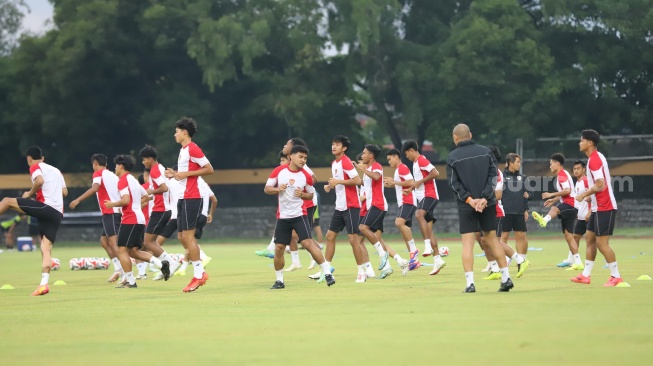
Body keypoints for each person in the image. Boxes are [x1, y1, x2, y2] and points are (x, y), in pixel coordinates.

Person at [446, 124, 513, 293]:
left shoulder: (452, 157)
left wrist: (470, 200)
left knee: (467, 244)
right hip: (488, 203)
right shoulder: (486, 152)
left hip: (466, 205)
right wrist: (484, 197)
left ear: (455, 138)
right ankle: (506, 278)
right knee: (492, 239)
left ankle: (470, 284)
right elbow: (493, 177)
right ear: (470, 134)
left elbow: (454, 184)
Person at [265, 145, 335, 289]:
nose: (303, 160)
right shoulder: (279, 171)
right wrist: (278, 189)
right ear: (291, 156)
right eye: (300, 157)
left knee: (307, 243)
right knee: (279, 248)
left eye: (305, 158)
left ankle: (327, 273)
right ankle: (279, 281)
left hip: (299, 215)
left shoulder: (306, 176)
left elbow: (311, 194)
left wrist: (303, 195)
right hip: (283, 217)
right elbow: (267, 188)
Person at [0, 146, 67, 296]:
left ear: (29, 159)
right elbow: (64, 192)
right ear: (42, 157)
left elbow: (39, 180)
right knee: (45, 248)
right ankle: (44, 284)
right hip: (57, 213)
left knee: (6, 201)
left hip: (45, 207)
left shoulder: (35, 166)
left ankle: (44, 283)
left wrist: (29, 194)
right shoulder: (56, 171)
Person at [105, 155, 170, 289]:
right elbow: (147, 196)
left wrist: (113, 204)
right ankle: (161, 264)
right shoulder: (133, 180)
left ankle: (131, 282)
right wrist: (135, 206)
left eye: (116, 165)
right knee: (133, 252)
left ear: (121, 166)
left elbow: (125, 200)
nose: (115, 168)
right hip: (139, 220)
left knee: (121, 250)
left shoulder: (122, 180)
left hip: (129, 220)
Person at [164, 117, 214, 292]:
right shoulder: (183, 150)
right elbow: (187, 173)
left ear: (185, 132)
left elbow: (209, 169)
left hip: (193, 197)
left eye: (177, 131)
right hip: (183, 197)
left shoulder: (192, 148)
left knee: (188, 237)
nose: (175, 134)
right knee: (181, 237)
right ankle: (200, 272)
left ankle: (198, 275)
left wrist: (185, 174)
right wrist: (175, 174)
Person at [571, 130, 623, 286]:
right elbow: (605, 180)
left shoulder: (594, 160)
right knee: (590, 239)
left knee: (601, 243)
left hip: (604, 207)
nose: (579, 143)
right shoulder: (595, 158)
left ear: (590, 143)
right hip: (596, 206)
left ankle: (616, 276)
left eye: (582, 140)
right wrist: (591, 196)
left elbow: (600, 184)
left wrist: (584, 194)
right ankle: (586, 275)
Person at [69, 154, 125, 282]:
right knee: (104, 242)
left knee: (113, 243)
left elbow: (95, 188)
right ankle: (118, 269)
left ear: (95, 163)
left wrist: (77, 200)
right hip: (115, 212)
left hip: (110, 212)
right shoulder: (112, 175)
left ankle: (126, 273)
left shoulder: (98, 174)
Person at [316, 135, 364, 283]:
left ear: (344, 148)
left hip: (351, 206)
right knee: (330, 236)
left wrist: (338, 181)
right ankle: (326, 270)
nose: (334, 146)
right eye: (333, 144)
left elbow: (357, 180)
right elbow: (339, 182)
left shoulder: (347, 162)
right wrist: (330, 185)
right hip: (340, 206)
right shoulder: (334, 163)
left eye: (337, 144)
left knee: (352, 239)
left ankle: (361, 272)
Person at [357, 144, 408, 278]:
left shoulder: (376, 166)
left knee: (362, 229)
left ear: (371, 155)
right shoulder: (366, 170)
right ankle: (396, 262)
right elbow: (367, 186)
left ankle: (381, 257)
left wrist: (363, 169)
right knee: (375, 239)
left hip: (378, 205)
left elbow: (376, 177)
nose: (362, 156)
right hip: (370, 207)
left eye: (364, 153)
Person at [478, 146, 529, 280]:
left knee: (495, 241)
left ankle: (520, 260)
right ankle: (495, 268)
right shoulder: (485, 172)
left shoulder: (497, 173)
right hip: (484, 210)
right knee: (483, 240)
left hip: (495, 210)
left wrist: (482, 198)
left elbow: (498, 195)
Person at [401, 140, 446, 275]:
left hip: (430, 195)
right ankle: (437, 259)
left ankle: (427, 246)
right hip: (423, 197)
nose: (407, 157)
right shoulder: (416, 163)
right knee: (428, 230)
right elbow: (420, 180)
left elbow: (435, 172)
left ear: (411, 150)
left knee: (419, 214)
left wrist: (420, 182)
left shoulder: (421, 160)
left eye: (406, 154)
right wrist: (411, 189)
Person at [532, 153, 583, 270]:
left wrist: (552, 194)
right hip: (571, 205)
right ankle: (578, 262)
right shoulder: (562, 175)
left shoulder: (561, 175)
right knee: (568, 235)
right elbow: (565, 193)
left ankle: (544, 220)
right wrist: (553, 199)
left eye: (551, 164)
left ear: (557, 164)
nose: (550, 166)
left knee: (554, 209)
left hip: (571, 204)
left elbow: (567, 191)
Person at [139, 145, 182, 281]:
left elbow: (163, 188)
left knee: (148, 242)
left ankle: (170, 263)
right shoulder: (160, 168)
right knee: (151, 241)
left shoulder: (155, 171)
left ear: (150, 159)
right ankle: (168, 264)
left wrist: (151, 192)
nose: (143, 162)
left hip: (161, 210)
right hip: (162, 210)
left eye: (144, 159)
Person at [384, 148, 420, 272]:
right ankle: (414, 261)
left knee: (399, 223)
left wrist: (394, 182)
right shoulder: (398, 170)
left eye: (389, 159)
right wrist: (392, 184)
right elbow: (402, 183)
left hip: (408, 201)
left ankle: (414, 251)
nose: (389, 162)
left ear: (396, 157)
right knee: (405, 231)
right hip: (403, 203)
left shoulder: (402, 168)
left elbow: (411, 181)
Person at [500, 153, 532, 261]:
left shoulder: (523, 177)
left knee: (520, 236)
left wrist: (526, 208)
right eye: (517, 162)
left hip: (519, 212)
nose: (520, 164)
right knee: (503, 237)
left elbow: (529, 194)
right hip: (505, 212)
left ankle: (521, 261)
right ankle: (502, 261)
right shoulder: (502, 177)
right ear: (510, 163)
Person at [560, 160, 591, 269]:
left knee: (594, 239)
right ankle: (571, 260)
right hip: (581, 217)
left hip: (589, 216)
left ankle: (607, 262)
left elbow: (594, 196)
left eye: (578, 168)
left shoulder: (586, 181)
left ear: (584, 169)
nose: (576, 171)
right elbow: (579, 200)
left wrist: (590, 212)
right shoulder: (577, 182)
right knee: (575, 237)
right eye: (574, 169)